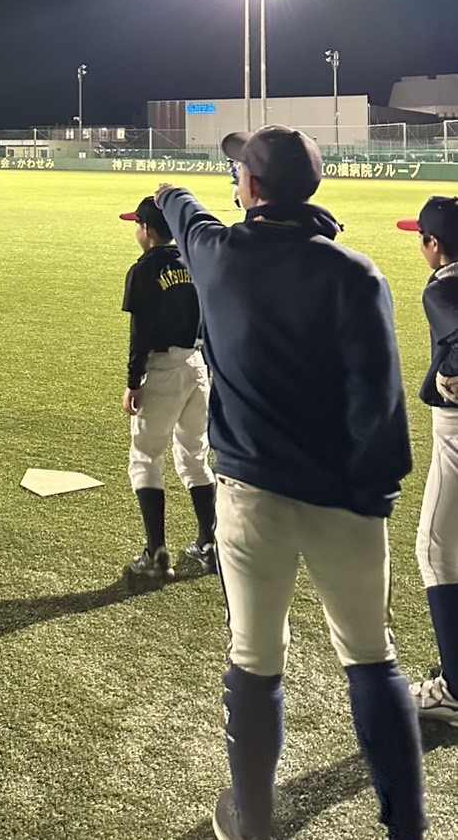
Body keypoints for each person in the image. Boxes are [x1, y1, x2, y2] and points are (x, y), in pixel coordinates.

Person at [155, 126, 425, 840]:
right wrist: (372, 496)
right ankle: (406, 827)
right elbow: (380, 403)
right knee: (373, 661)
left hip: (250, 496)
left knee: (254, 660)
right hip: (347, 500)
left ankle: (252, 819)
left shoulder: (218, 255)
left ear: (251, 187)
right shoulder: (356, 274)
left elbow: (181, 208)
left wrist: (173, 190)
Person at [118, 196, 216, 583]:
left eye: (137, 224)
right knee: (195, 456)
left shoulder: (143, 270)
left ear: (147, 229)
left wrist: (134, 382)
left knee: (145, 457)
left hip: (161, 371)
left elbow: (140, 332)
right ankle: (209, 544)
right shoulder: (195, 262)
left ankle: (156, 554)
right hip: (197, 366)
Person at [396, 196, 458, 727]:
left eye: (421, 237)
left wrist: (449, 372)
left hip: (457, 430)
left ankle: (453, 692)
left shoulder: (442, 286)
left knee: (435, 550)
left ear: (434, 244)